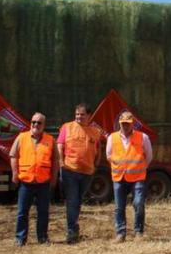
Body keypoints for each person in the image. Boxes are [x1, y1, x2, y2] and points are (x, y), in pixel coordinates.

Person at [9, 112, 59, 246]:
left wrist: (54, 179)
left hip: (44, 183)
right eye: (33, 122)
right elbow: (13, 156)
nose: (35, 125)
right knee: (22, 212)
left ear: (44, 125)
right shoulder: (21, 137)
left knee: (43, 212)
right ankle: (20, 238)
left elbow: (55, 161)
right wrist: (15, 174)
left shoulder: (50, 140)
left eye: (39, 122)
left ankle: (42, 238)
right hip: (26, 182)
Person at [57, 103, 104, 244]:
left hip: (87, 173)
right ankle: (71, 232)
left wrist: (95, 165)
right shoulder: (67, 127)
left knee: (77, 202)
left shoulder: (95, 132)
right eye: (77, 114)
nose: (79, 117)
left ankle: (75, 228)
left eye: (82, 114)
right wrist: (61, 163)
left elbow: (98, 150)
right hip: (70, 170)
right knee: (72, 201)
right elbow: (59, 146)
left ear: (89, 116)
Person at [107, 111, 152, 242]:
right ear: (119, 123)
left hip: (138, 177)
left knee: (138, 203)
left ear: (133, 124)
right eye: (123, 124)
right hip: (119, 177)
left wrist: (139, 167)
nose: (125, 126)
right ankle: (120, 233)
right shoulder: (112, 137)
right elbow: (109, 155)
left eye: (128, 124)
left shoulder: (143, 137)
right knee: (119, 207)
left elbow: (148, 156)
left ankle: (138, 232)